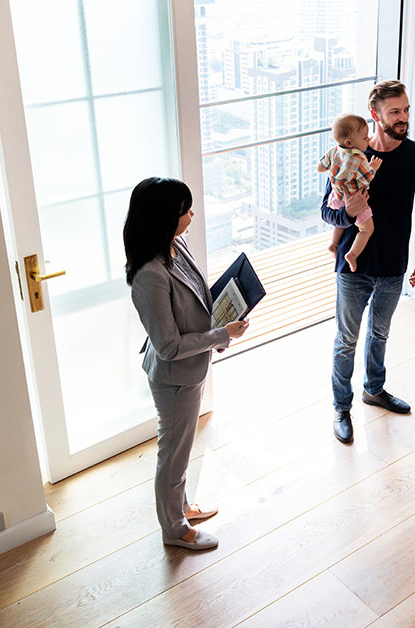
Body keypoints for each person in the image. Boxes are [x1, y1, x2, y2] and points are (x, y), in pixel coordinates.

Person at [124, 176, 249, 551]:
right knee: (174, 455)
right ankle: (175, 529)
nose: (192, 213)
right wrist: (220, 335)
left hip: (190, 369)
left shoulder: (173, 246)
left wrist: (220, 329)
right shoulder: (150, 274)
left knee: (180, 448)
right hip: (174, 377)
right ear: (165, 217)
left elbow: (197, 300)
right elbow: (167, 346)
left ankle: (180, 507)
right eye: (184, 209)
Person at [320, 80, 415, 444]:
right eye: (395, 112)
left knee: (380, 334)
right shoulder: (348, 155)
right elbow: (328, 211)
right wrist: (349, 214)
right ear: (375, 115)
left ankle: (374, 389)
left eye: (405, 110)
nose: (403, 118)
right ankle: (342, 407)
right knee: (346, 340)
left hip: (392, 268)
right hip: (353, 269)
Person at [318, 113, 383, 272]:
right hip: (355, 201)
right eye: (365, 138)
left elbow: (320, 168)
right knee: (366, 229)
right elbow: (367, 178)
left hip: (336, 197)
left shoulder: (333, 151)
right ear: (349, 142)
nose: (368, 140)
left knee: (340, 222)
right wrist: (373, 166)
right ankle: (352, 254)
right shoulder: (359, 160)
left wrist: (333, 171)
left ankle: (334, 244)